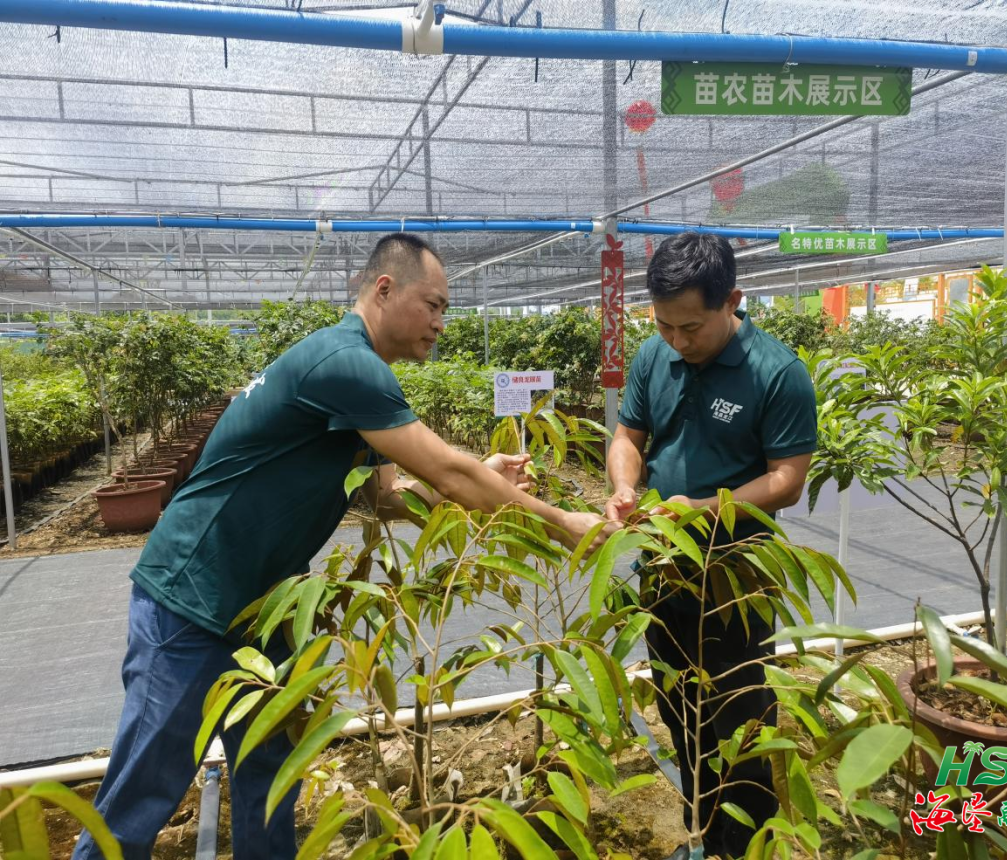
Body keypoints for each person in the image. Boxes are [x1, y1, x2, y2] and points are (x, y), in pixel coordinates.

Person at [74, 233, 610, 860]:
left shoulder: (358, 372)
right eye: (433, 305)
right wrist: (563, 522)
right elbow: (449, 475)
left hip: (262, 608)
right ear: (385, 290)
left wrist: (481, 473)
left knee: (271, 773)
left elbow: (386, 498)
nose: (441, 323)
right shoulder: (346, 363)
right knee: (146, 788)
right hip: (192, 599)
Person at [604, 232, 817, 860]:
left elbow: (787, 481)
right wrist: (623, 484)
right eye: (664, 326)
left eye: (691, 327)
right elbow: (628, 435)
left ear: (733, 301)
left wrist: (702, 510)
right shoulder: (654, 356)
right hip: (663, 568)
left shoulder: (777, 373)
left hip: (735, 577)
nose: (677, 341)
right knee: (677, 704)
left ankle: (745, 844)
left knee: (740, 717)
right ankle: (704, 828)